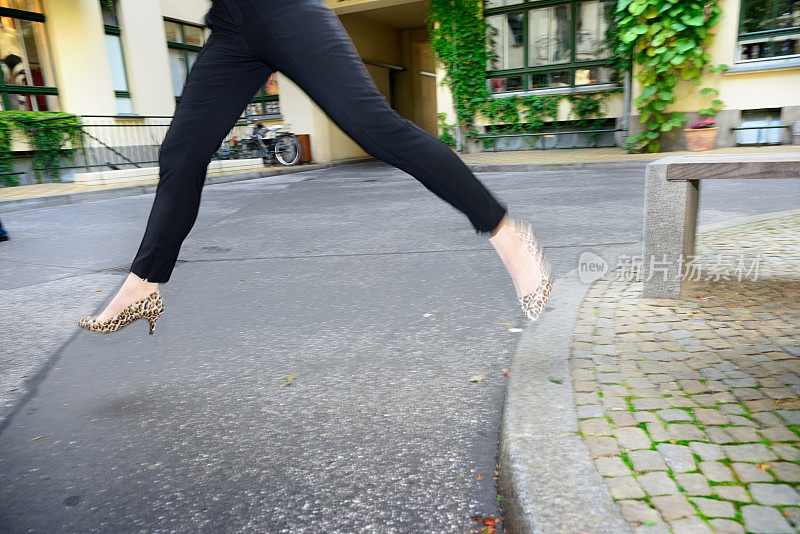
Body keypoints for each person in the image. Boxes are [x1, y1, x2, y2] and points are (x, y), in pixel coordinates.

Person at [77, 0, 553, 335]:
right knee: (180, 152)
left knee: (375, 129)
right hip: (229, 23)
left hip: (286, 9)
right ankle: (142, 284)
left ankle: (506, 233)